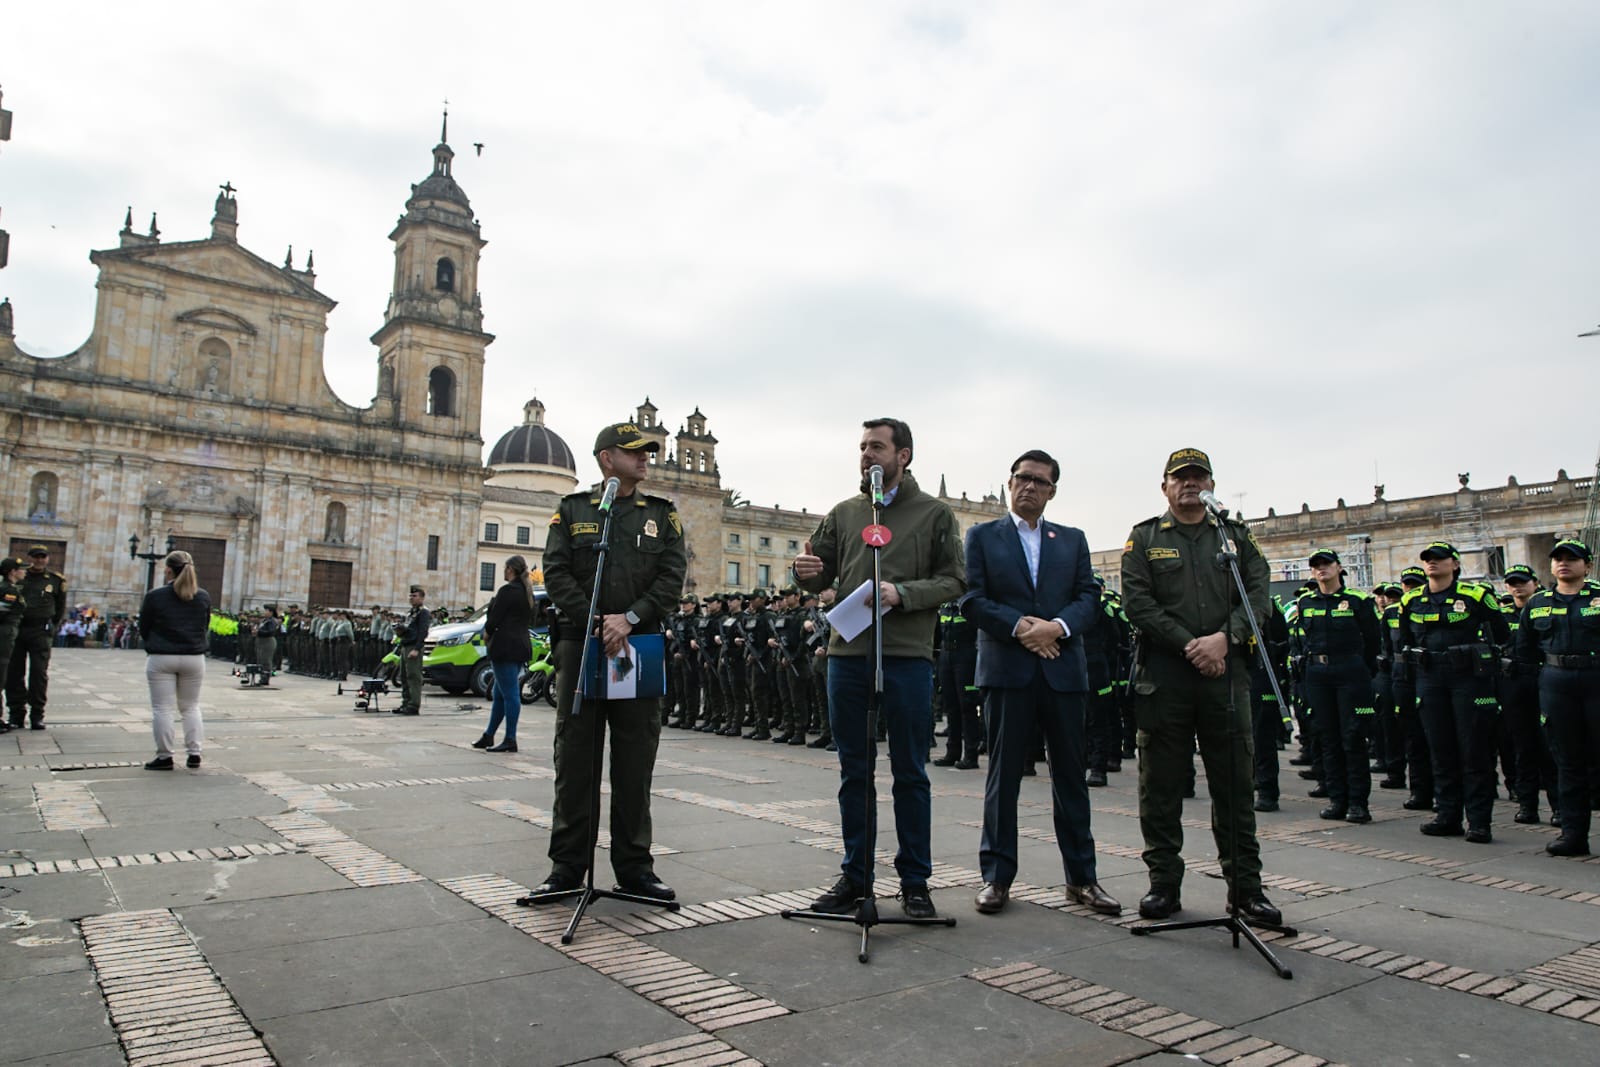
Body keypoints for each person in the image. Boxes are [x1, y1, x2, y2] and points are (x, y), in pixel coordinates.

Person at [792, 417, 966, 919]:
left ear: (903, 456)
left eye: (877, 446)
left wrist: (904, 593)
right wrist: (806, 575)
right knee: (854, 770)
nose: (867, 454)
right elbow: (818, 569)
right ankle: (855, 877)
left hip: (907, 655)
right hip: (848, 654)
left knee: (910, 771)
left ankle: (915, 881)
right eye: (862, 446)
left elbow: (955, 579)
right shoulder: (845, 513)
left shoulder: (933, 514)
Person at [1120, 448, 1280, 924]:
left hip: (1225, 678)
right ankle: (1163, 885)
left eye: (1198, 477)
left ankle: (1245, 889)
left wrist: (1224, 640)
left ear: (1211, 484)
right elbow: (1138, 604)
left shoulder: (1233, 537)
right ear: (1165, 486)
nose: (1190, 485)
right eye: (1181, 478)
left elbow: (1259, 595)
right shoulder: (1145, 537)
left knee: (1234, 785)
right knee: (1161, 788)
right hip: (1165, 678)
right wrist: (1193, 645)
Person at [530, 422, 687, 902]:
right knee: (574, 761)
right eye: (633, 451)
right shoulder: (573, 510)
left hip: (638, 649)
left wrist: (631, 618)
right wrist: (598, 620)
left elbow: (672, 576)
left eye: (648, 452)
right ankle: (567, 868)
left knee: (635, 762)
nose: (644, 459)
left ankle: (635, 867)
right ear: (606, 458)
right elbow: (555, 572)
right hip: (583, 646)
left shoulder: (662, 516)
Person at [962, 449, 1119, 916]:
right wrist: (1022, 628)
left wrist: (1057, 627)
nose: (1028, 486)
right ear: (1009, 483)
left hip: (1062, 671)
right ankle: (996, 877)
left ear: (1052, 490)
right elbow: (972, 598)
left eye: (1039, 481)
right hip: (1008, 672)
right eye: (1021, 478)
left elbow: (1089, 596)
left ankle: (1082, 879)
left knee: (1071, 777)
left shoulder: (1071, 540)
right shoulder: (982, 536)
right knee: (1002, 777)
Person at [1398, 541, 1510, 843]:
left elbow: (1502, 633)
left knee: (1473, 751)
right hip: (1430, 677)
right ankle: (1447, 815)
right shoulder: (1411, 601)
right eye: (1428, 560)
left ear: (1455, 564)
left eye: (1440, 559)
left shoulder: (1475, 596)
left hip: (1468, 679)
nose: (1433, 564)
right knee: (1440, 749)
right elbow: (1404, 640)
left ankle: (1479, 821)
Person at [1515, 540, 1600, 856]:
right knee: (1567, 761)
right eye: (1558, 559)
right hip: (1556, 682)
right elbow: (1525, 650)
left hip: (1595, 678)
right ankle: (1573, 834)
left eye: (1572, 559)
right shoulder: (1537, 603)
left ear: (1587, 566)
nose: (1564, 563)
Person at [1294, 549, 1382, 824]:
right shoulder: (1306, 602)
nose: (1322, 569)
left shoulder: (1357, 601)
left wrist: (1361, 670)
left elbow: (1373, 641)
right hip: (1317, 672)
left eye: (1326, 564)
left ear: (1339, 568)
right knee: (1326, 737)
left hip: (1350, 671)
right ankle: (1337, 799)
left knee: (1352, 737)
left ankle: (1358, 803)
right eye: (1316, 566)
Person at [139, 550, 212, 770]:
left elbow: (144, 627)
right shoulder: (203, 596)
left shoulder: (155, 596)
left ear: (168, 569)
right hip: (193, 657)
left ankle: (164, 757)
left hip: (162, 656)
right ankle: (194, 753)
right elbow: (204, 626)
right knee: (190, 707)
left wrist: (154, 643)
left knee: (162, 708)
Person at [1501, 564, 1558, 825]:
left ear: (1535, 583)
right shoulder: (1502, 615)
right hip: (1514, 683)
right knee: (1521, 747)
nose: (1517, 587)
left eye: (1523, 581)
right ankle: (1527, 805)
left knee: (1550, 747)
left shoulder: (1546, 608)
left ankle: (1559, 807)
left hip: (1544, 679)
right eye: (1512, 582)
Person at [475, 555, 536, 753]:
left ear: (510, 569)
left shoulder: (508, 590)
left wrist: (487, 632)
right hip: (520, 645)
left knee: (509, 694)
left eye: (505, 568)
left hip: (504, 646)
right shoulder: (526, 592)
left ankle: (510, 738)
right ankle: (489, 735)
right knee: (499, 693)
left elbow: (494, 618)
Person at [6, 545, 67, 730]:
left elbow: (60, 608)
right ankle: (16, 714)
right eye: (36, 556)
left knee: (39, 673)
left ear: (47, 559)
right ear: (29, 558)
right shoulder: (18, 578)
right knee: (14, 673)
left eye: (43, 557)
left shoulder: (56, 580)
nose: (39, 560)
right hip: (18, 630)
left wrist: (51, 627)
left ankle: (37, 714)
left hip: (40, 631)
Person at [393, 586, 430, 715]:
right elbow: (409, 629)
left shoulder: (423, 612)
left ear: (422, 597)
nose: (412, 598)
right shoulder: (411, 612)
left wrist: (417, 649)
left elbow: (423, 632)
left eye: (415, 596)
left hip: (413, 646)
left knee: (413, 676)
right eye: (411, 596)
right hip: (405, 645)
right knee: (404, 676)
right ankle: (406, 703)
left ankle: (414, 705)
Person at [0, 558, 27, 735]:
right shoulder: (7, 591)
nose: (24, 572)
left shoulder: (13, 589)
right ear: (12, 572)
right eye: (20, 569)